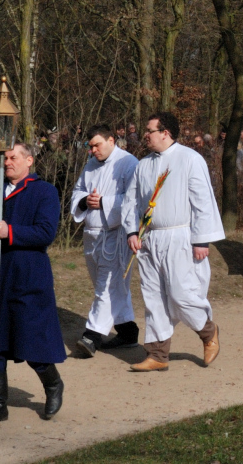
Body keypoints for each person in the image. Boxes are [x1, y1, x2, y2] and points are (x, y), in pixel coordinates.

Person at [0, 143, 65, 427]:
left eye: (13, 157)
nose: (7, 162)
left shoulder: (43, 191)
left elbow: (46, 232)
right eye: (5, 158)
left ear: (29, 161)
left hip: (27, 275)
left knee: (31, 337)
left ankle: (53, 384)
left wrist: (11, 232)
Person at [124, 112, 224, 373]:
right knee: (153, 297)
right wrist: (131, 232)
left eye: (150, 130)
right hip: (150, 238)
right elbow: (132, 201)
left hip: (181, 237)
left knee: (181, 294)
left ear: (165, 132)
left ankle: (208, 331)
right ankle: (157, 354)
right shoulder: (143, 164)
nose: (145, 134)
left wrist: (201, 239)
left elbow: (202, 201)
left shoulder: (190, 159)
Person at [69, 125, 141, 357]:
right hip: (92, 233)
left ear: (112, 140)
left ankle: (91, 336)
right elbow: (78, 190)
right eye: (90, 146)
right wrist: (83, 201)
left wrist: (103, 202)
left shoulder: (128, 163)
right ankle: (128, 331)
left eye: (97, 145)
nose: (92, 151)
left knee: (107, 287)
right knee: (110, 286)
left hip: (117, 233)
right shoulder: (90, 165)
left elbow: (135, 198)